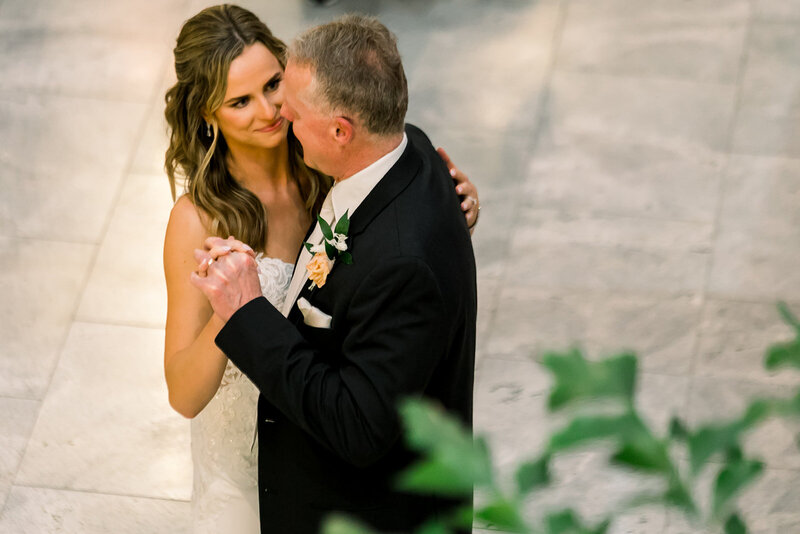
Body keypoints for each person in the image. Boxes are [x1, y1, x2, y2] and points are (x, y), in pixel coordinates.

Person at [161, 5, 479, 533]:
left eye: (274, 86)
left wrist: (451, 213)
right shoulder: (198, 220)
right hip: (241, 461)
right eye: (240, 102)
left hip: (324, 460)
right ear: (206, 116)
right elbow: (184, 395)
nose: (270, 111)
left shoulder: (327, 170)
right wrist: (232, 311)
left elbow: (393, 243)